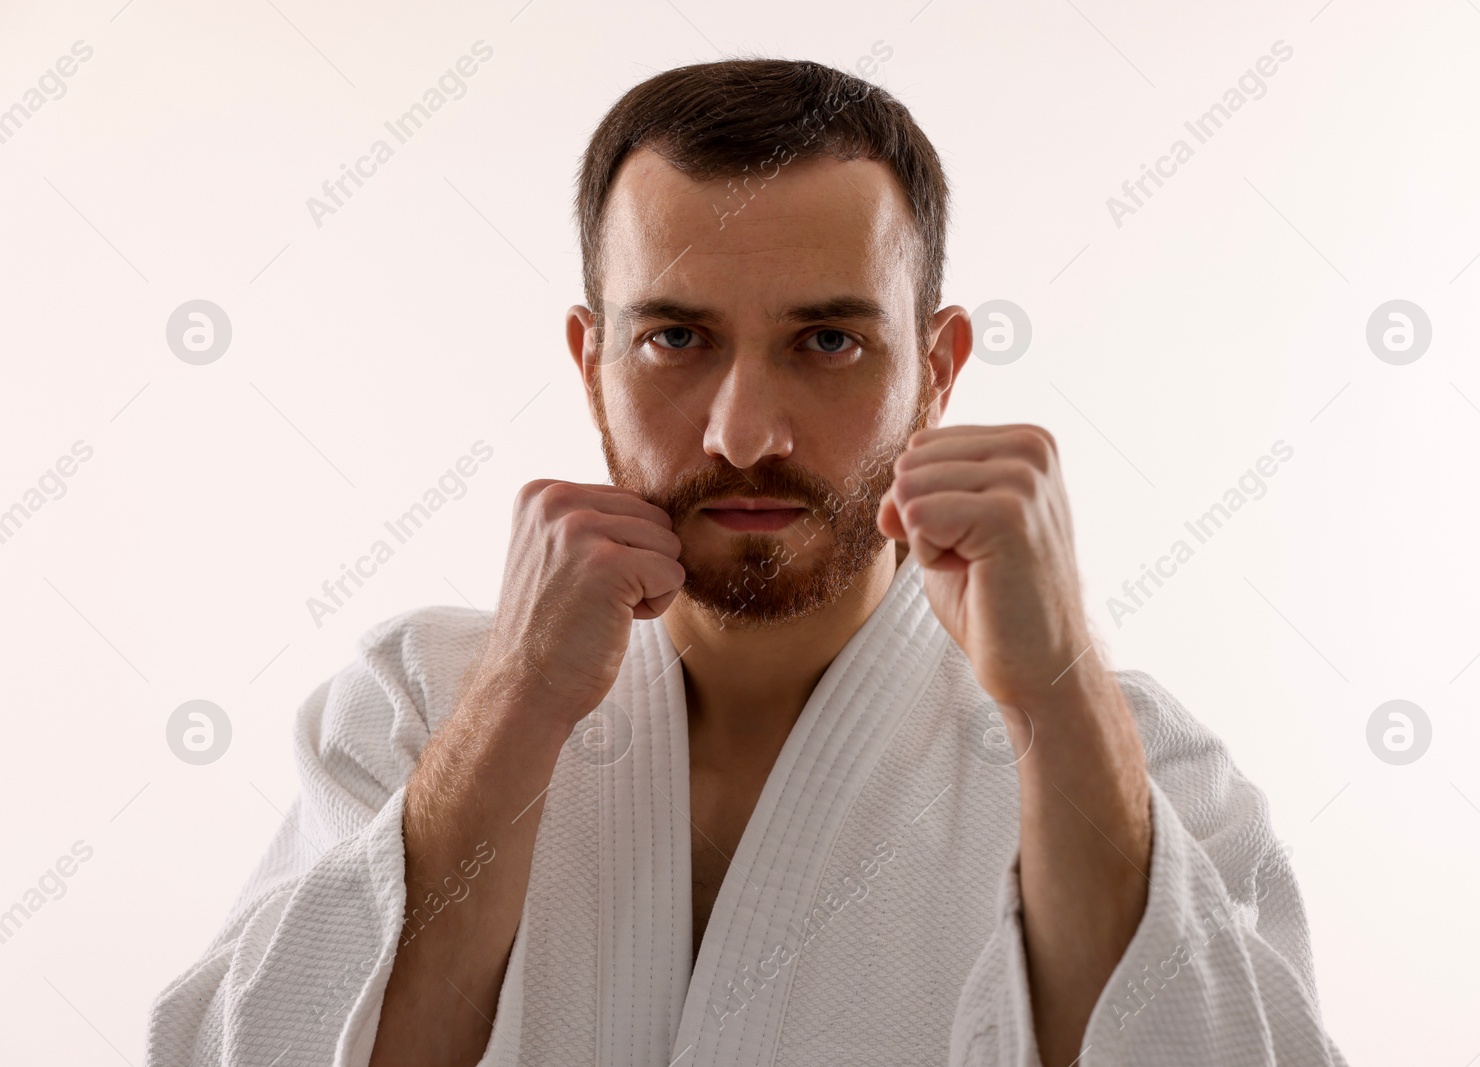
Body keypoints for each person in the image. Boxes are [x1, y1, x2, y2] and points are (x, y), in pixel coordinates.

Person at [144, 58, 1346, 1067]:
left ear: (936, 370)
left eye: (827, 339)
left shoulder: (1134, 760)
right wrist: (517, 704)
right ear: (590, 358)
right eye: (675, 336)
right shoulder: (421, 703)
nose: (743, 432)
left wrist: (1057, 700)